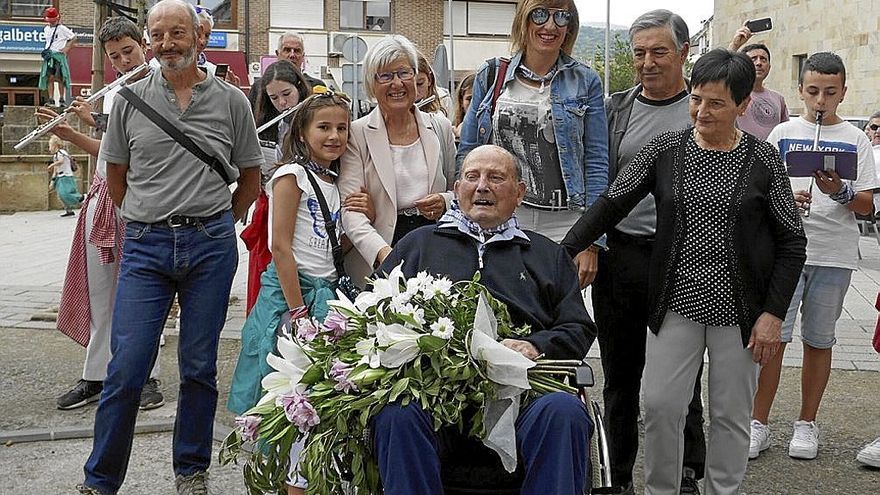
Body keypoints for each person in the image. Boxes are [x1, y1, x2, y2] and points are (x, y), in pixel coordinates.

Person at [562, 48, 807, 495]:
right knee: (659, 406)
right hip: (676, 303)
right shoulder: (666, 150)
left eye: (716, 103)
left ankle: (721, 490)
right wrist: (567, 248)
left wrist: (773, 313)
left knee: (731, 415)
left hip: (742, 313)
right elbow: (613, 202)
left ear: (743, 105)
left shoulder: (764, 160)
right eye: (696, 99)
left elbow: (793, 242)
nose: (701, 111)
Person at [77, 1, 263, 494]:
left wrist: (225, 219)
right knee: (126, 369)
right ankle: (100, 481)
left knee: (198, 367)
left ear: (199, 38)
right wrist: (148, 217)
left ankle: (191, 471)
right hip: (146, 247)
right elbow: (115, 178)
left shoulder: (232, 101)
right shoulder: (129, 100)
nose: (166, 44)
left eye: (176, 33)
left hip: (210, 246)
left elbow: (250, 175)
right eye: (156, 35)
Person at [373, 144, 596, 495]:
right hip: (434, 393)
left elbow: (578, 327)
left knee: (563, 411)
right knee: (396, 413)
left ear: (520, 192)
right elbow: (374, 314)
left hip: (525, 391)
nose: (482, 186)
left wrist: (535, 346)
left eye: (496, 177)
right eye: (472, 177)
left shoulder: (547, 255)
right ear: (457, 188)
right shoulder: (417, 245)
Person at [591, 10, 706, 494]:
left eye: (659, 52)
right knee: (619, 377)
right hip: (620, 259)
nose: (648, 63)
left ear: (683, 53)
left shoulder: (701, 110)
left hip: (681, 260)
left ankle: (685, 475)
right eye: (639, 53)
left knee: (683, 383)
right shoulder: (615, 108)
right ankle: (619, 479)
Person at [753, 52, 879, 462]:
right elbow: (759, 192)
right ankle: (759, 422)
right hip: (786, 251)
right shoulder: (782, 132)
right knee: (773, 339)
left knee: (819, 339)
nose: (820, 100)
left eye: (830, 92)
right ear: (801, 91)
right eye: (812, 91)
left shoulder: (857, 139)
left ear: (843, 91)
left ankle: (806, 423)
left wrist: (838, 191)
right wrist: (785, 198)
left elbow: (867, 207)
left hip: (833, 253)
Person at [228, 91, 354, 495]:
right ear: (301, 131)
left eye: (342, 128)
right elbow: (279, 246)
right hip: (291, 300)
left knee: (314, 398)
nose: (334, 136)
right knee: (286, 393)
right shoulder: (290, 176)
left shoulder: (333, 181)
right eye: (324, 127)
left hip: (326, 296)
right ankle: (285, 482)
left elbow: (329, 245)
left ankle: (302, 480)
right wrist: (298, 312)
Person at [39, 16, 164, 412]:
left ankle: (147, 376)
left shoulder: (160, 85)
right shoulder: (115, 93)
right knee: (100, 293)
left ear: (143, 44)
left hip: (138, 203)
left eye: (129, 52)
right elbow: (111, 144)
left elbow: (128, 153)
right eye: (115, 57)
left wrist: (76, 134)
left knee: (141, 295)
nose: (124, 62)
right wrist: (80, 126)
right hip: (102, 199)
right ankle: (96, 375)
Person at [456, 0, 608, 281]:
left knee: (558, 313)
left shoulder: (586, 81)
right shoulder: (491, 75)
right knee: (501, 310)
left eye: (561, 17)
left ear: (570, 25)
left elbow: (596, 163)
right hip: (504, 216)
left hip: (566, 224)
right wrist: (462, 217)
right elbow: (468, 153)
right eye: (540, 14)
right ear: (524, 20)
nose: (550, 25)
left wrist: (592, 241)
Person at [338, 34, 456, 288]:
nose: (397, 83)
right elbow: (351, 213)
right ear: (371, 84)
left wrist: (444, 201)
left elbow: (457, 191)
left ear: (416, 76)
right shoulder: (357, 134)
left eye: (404, 73)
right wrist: (384, 254)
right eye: (385, 76)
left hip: (432, 246)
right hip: (379, 251)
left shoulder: (441, 127)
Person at [242, 59, 312, 314]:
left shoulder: (312, 117)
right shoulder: (269, 122)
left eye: (287, 94)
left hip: (302, 206)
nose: (282, 103)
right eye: (274, 98)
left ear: (299, 89)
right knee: (265, 265)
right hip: (270, 203)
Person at [728, 25, 789, 140]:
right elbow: (716, 73)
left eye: (763, 59)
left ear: (769, 67)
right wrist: (735, 45)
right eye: (753, 59)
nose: (759, 63)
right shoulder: (733, 94)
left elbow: (785, 133)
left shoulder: (779, 99)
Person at [39, 7, 76, 107]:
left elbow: (73, 37)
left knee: (60, 78)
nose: (51, 23)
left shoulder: (62, 29)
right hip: (49, 55)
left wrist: (66, 48)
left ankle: (61, 99)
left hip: (59, 56)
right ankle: (51, 99)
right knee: (49, 78)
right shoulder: (46, 29)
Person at [47, 135, 82, 217]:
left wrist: (51, 165)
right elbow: (56, 169)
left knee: (66, 193)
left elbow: (61, 161)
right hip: (60, 177)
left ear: (55, 145)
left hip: (66, 176)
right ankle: (68, 210)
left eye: (50, 146)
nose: (49, 149)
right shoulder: (55, 156)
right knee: (61, 194)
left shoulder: (61, 153)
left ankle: (82, 199)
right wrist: (52, 181)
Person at [415, 50, 452, 116]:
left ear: (429, 79)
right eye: (410, 85)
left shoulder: (443, 100)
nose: (416, 91)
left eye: (420, 83)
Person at [452, 72, 475, 141]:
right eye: (469, 99)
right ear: (461, 101)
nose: (473, 104)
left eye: (478, 99)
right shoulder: (452, 131)